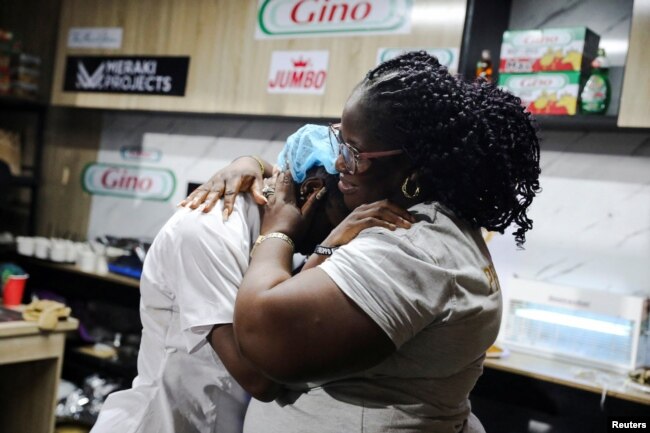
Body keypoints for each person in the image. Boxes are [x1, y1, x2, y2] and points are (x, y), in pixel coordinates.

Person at [187, 51, 541, 433]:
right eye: (340, 140)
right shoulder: (434, 223)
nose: (341, 164)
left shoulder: (410, 248)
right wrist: (251, 162)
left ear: (413, 170)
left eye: (354, 153)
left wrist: (279, 232)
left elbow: (262, 334)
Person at [90, 124, 411, 433]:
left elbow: (279, 174)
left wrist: (250, 162)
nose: (345, 235)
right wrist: (321, 247)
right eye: (342, 219)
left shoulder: (277, 216)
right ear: (313, 192)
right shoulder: (205, 230)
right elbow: (261, 379)